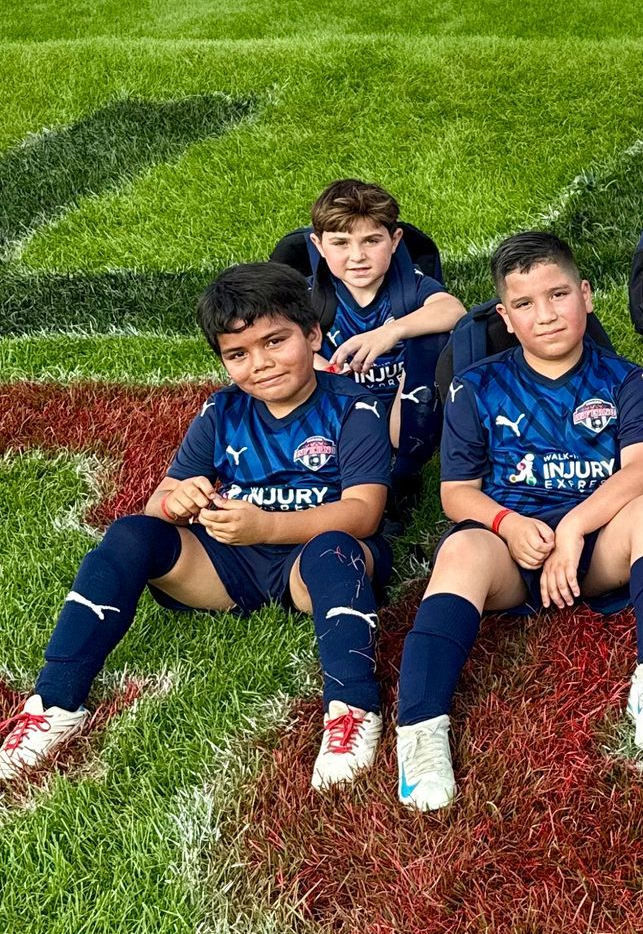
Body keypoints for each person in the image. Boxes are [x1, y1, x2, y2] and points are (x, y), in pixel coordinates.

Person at [0, 263, 391, 790]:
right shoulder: (222, 409)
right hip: (229, 563)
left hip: (311, 564)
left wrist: (266, 527)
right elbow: (161, 499)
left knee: (336, 550)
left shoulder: (355, 407)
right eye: (238, 354)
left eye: (275, 341)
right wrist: (177, 502)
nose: (260, 364)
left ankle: (352, 709)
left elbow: (364, 511)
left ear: (313, 335)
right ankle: (55, 702)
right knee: (130, 534)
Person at [390, 230, 643, 811]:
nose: (546, 315)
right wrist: (506, 524)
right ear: (506, 318)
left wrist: (574, 528)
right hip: (511, 549)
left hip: (595, 546)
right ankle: (421, 730)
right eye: (525, 304)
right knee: (460, 551)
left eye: (558, 295)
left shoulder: (623, 379)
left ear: (587, 295)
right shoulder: (476, 386)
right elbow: (456, 494)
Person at [299, 177, 465, 492]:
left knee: (435, 338)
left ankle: (406, 471)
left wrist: (390, 331)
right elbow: (279, 340)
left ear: (395, 239)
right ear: (319, 245)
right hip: (343, 412)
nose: (357, 256)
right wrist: (318, 367)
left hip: (403, 411)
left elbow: (453, 310)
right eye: (341, 243)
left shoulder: (409, 287)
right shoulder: (311, 296)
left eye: (372, 241)